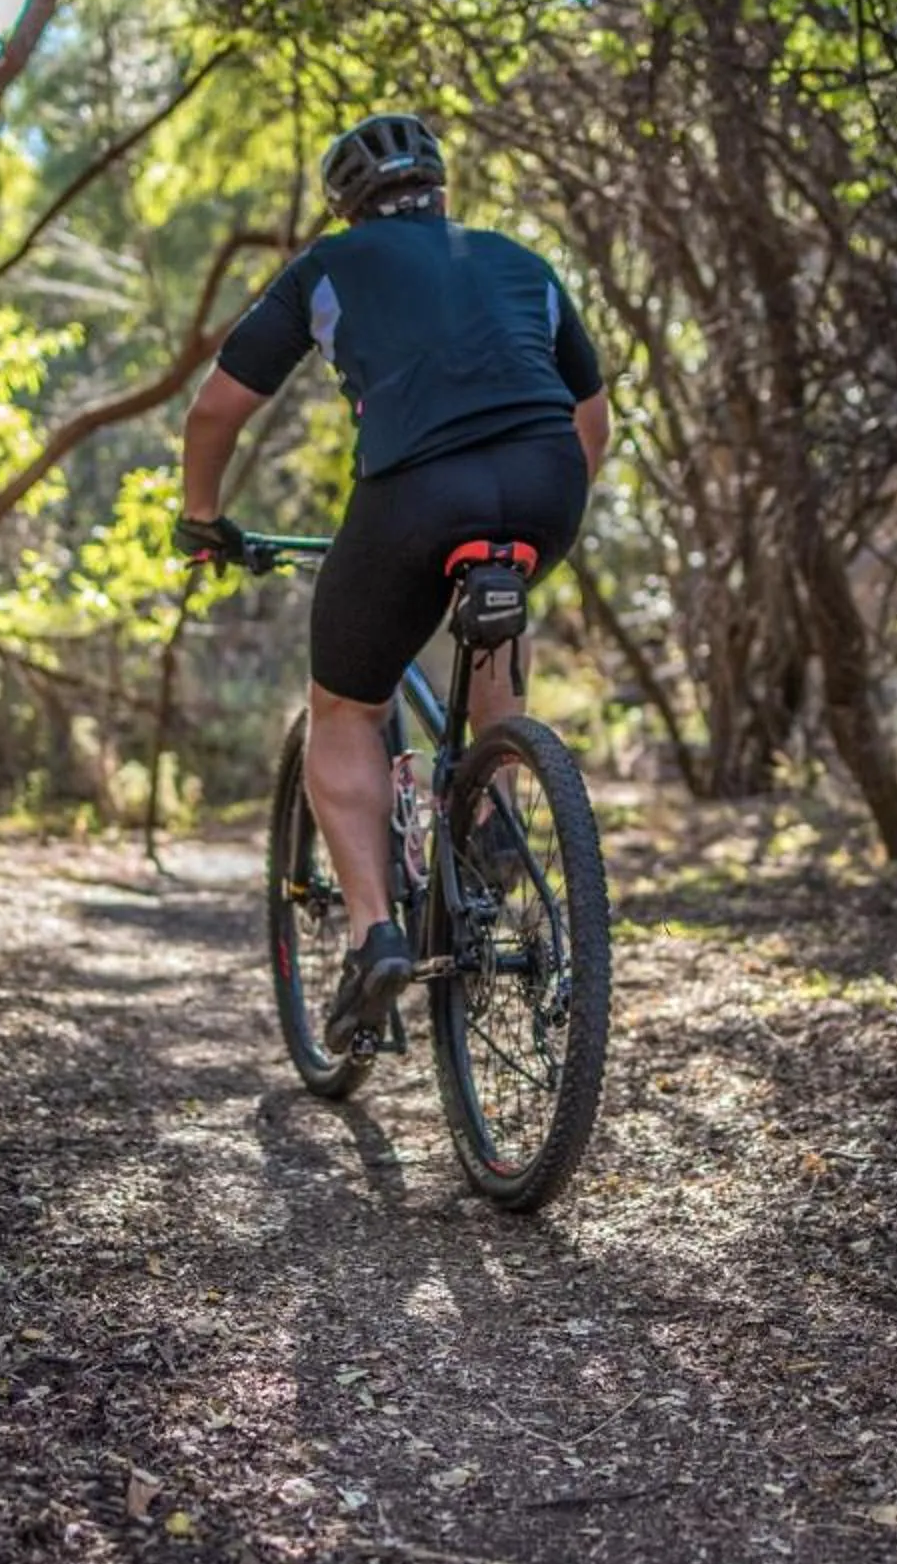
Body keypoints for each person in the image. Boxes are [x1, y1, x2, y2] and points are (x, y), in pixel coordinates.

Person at [174, 111, 610, 1049]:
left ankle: (376, 934)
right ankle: (496, 812)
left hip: (415, 495)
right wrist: (532, 516)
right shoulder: (518, 261)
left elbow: (216, 410)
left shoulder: (330, 267)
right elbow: (592, 416)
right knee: (494, 611)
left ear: (349, 207)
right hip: (547, 480)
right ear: (441, 190)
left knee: (344, 706)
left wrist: (202, 519)